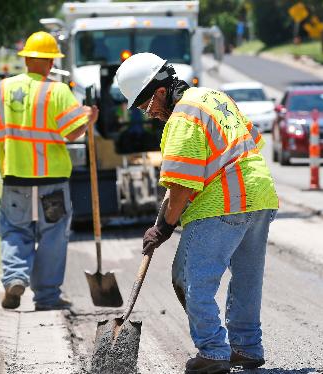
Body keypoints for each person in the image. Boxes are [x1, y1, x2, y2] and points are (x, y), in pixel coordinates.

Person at [116, 53, 278, 374]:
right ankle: (245, 346)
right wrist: (164, 216)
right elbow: (251, 141)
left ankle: (214, 352)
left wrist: (161, 229)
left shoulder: (182, 118)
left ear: (160, 91)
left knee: (191, 278)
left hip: (223, 201)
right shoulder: (214, 97)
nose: (151, 115)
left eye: (148, 106)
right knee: (247, 277)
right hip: (260, 194)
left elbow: (180, 191)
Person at [0, 31, 98, 311]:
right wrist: (88, 120)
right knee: (53, 236)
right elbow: (71, 134)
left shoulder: (3, 89)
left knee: (14, 231)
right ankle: (46, 297)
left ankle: (15, 278)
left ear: (27, 58)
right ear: (51, 61)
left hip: (15, 179)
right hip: (52, 182)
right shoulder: (58, 91)